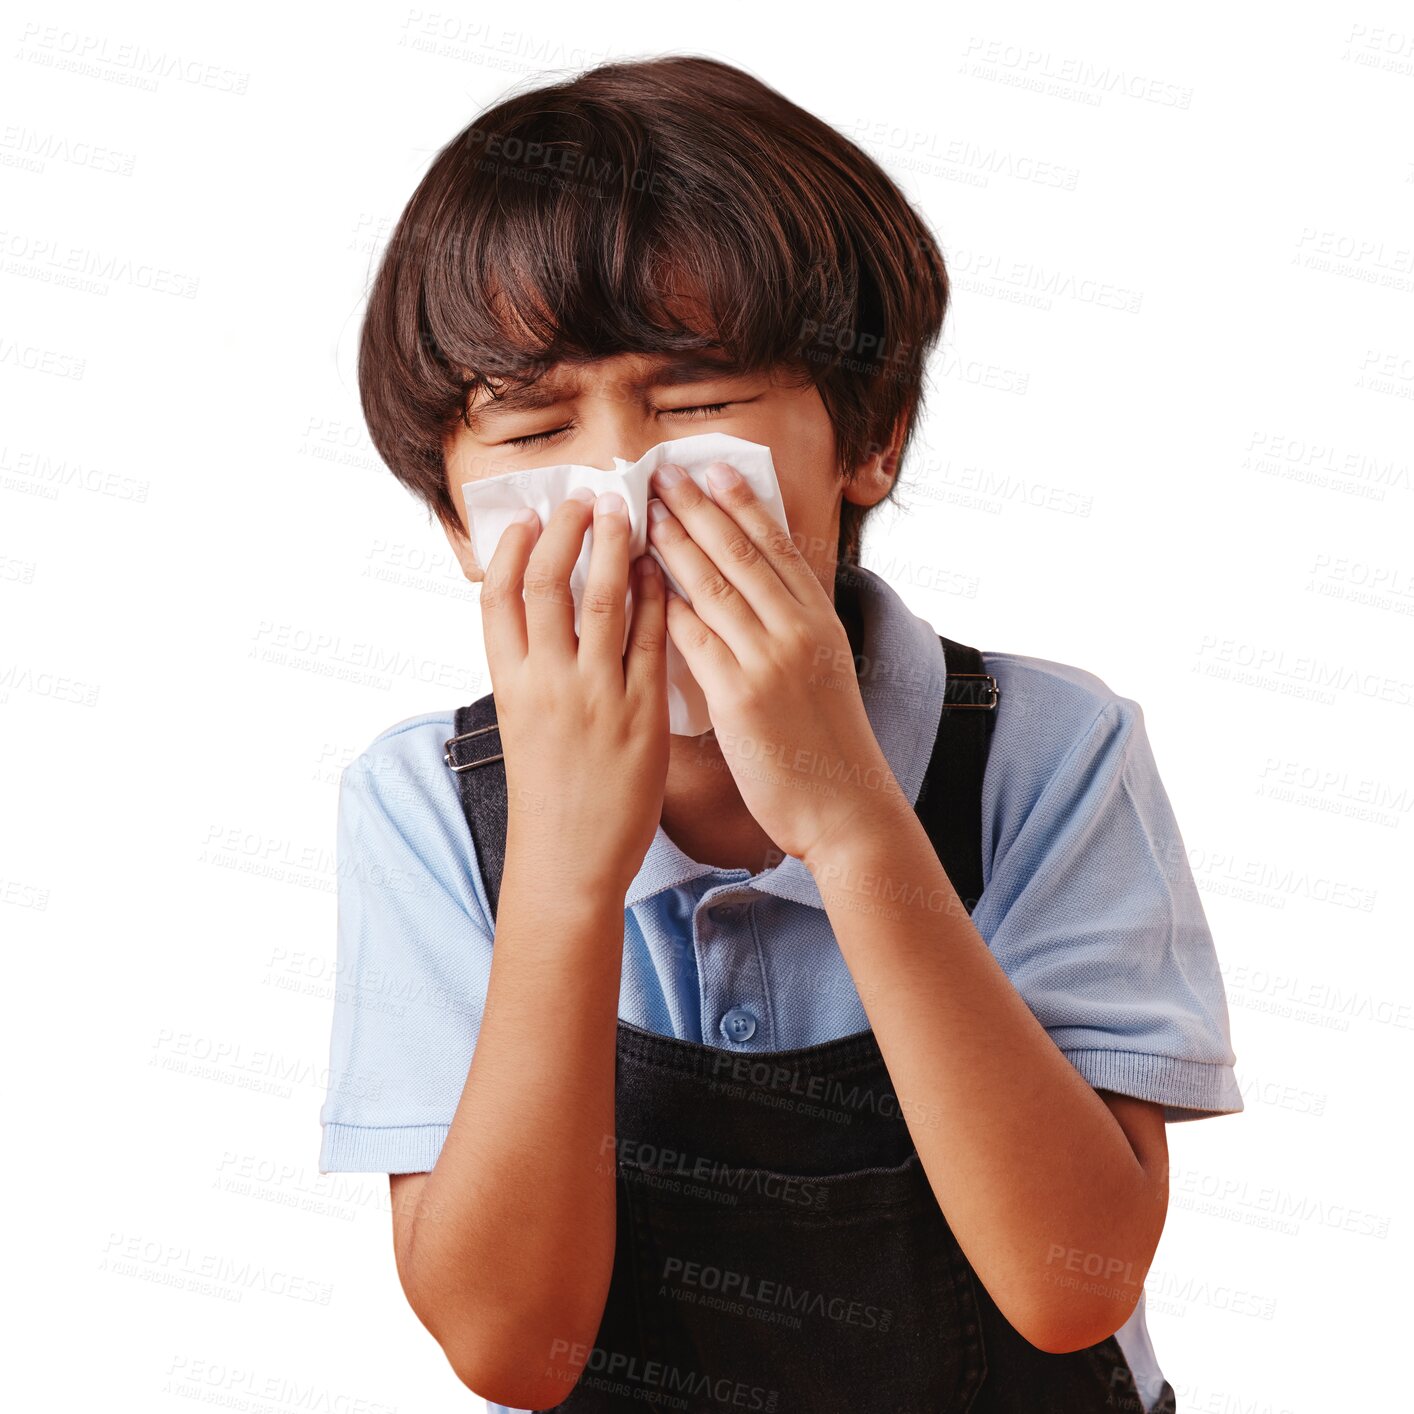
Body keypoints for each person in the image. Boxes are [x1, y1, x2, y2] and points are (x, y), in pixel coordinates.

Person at [318, 54, 1242, 1414]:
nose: (625, 493)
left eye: (693, 406)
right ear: (459, 519)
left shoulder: (1050, 752)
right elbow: (512, 1353)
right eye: (533, 421)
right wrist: (566, 868)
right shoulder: (426, 801)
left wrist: (848, 815)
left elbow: (1073, 1282)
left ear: (869, 437)